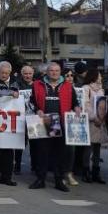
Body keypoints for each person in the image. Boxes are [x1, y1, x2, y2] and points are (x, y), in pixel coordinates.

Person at [29, 61, 81, 192]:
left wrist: (77, 108)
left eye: (57, 71)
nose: (54, 73)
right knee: (42, 152)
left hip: (62, 122)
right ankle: (40, 179)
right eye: (51, 70)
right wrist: (37, 110)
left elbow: (75, 102)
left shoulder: (68, 86)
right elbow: (31, 102)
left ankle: (59, 180)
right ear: (47, 72)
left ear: (60, 72)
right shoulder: (36, 85)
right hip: (43, 121)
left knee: (60, 153)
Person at [80, 68, 107, 184]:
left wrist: (102, 117)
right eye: (99, 75)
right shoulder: (86, 88)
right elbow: (85, 104)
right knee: (88, 147)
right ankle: (86, 171)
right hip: (90, 121)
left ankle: (96, 172)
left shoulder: (101, 90)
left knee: (97, 147)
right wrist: (93, 116)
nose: (101, 77)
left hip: (100, 121)